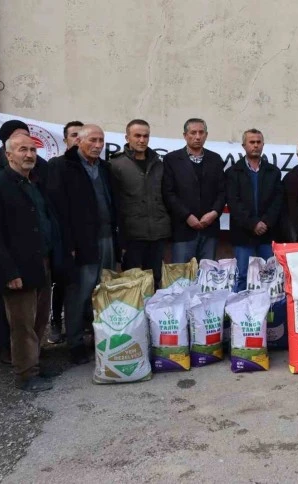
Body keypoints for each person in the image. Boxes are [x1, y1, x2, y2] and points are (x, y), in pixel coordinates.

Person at [0, 134, 61, 391]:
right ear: (8, 155)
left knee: (39, 319)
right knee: (21, 325)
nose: (29, 154)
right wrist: (8, 271)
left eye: (32, 150)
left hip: (41, 262)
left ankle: (34, 363)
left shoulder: (34, 184)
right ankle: (26, 374)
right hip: (16, 268)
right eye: (22, 150)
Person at [48, 125, 118, 365]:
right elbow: (57, 210)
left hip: (107, 239)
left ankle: (98, 339)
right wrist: (69, 244)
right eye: (93, 140)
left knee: (103, 292)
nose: (98, 145)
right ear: (78, 141)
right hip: (81, 243)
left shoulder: (106, 168)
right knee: (78, 294)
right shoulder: (61, 167)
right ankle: (75, 344)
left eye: (101, 140)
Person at [110, 119, 171, 288]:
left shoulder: (159, 164)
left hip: (158, 234)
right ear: (127, 137)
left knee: (156, 281)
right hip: (131, 235)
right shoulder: (115, 164)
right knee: (133, 284)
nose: (142, 140)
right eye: (137, 136)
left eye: (146, 136)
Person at [225, 129, 283, 291]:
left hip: (267, 233)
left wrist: (265, 222)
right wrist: (253, 223)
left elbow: (277, 201)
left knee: (269, 276)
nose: (255, 145)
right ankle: (239, 314)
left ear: (263, 145)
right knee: (243, 275)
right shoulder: (233, 172)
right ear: (244, 146)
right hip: (243, 234)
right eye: (252, 142)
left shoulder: (273, 172)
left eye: (258, 142)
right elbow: (233, 203)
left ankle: (269, 314)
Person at [162, 118, 227, 262]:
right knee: (182, 277)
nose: (197, 136)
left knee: (206, 276)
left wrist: (214, 213)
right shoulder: (171, 159)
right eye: (193, 133)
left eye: (201, 132)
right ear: (185, 135)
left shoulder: (215, 159)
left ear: (206, 135)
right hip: (183, 229)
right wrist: (187, 216)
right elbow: (168, 193)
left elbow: (222, 192)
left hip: (209, 229)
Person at [46, 120, 84, 345]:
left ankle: (84, 323)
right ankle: (56, 323)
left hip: (87, 238)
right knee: (63, 284)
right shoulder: (56, 165)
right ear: (66, 139)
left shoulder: (92, 166)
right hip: (64, 237)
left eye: (82, 135)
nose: (78, 139)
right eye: (74, 135)